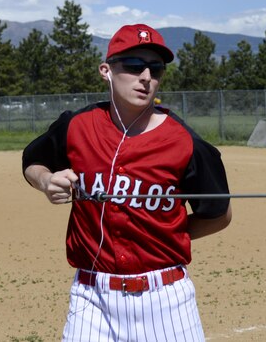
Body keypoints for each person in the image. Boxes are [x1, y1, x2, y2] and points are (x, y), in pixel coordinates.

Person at [22, 23, 232, 342]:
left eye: (155, 68)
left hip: (166, 300)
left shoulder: (186, 142)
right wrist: (47, 180)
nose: (145, 76)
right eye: (134, 65)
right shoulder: (76, 126)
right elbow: (32, 162)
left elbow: (219, 214)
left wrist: (161, 233)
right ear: (106, 70)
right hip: (91, 298)